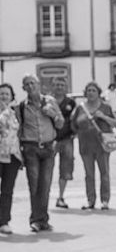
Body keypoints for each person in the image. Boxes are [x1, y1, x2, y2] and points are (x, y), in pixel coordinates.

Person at [17, 74, 64, 232]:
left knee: (45, 185)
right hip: (30, 149)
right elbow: (18, 131)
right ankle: (36, 220)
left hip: (48, 148)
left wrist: (53, 114)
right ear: (24, 88)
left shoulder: (50, 101)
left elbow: (60, 123)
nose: (30, 86)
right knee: (34, 185)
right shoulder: (22, 106)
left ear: (38, 84)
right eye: (27, 84)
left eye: (33, 83)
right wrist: (19, 154)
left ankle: (43, 220)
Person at [70, 82, 116, 211]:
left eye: (93, 90)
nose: (90, 93)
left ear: (98, 93)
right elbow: (73, 125)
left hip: (102, 146)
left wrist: (103, 117)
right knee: (89, 175)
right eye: (88, 90)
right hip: (85, 146)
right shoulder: (80, 108)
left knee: (104, 173)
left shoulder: (105, 107)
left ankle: (105, 201)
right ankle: (90, 200)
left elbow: (114, 123)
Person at [0, 84, 22, 234]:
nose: (4, 97)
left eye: (7, 94)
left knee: (7, 190)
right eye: (1, 94)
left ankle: (4, 221)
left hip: (12, 156)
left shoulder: (17, 112)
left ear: (12, 96)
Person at [51, 76, 76, 209]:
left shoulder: (71, 102)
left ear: (65, 87)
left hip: (67, 139)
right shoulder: (48, 102)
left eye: (62, 84)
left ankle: (61, 197)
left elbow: (75, 120)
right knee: (47, 168)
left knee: (65, 169)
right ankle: (44, 197)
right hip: (50, 140)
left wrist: (75, 132)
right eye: (57, 84)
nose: (59, 87)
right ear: (52, 86)